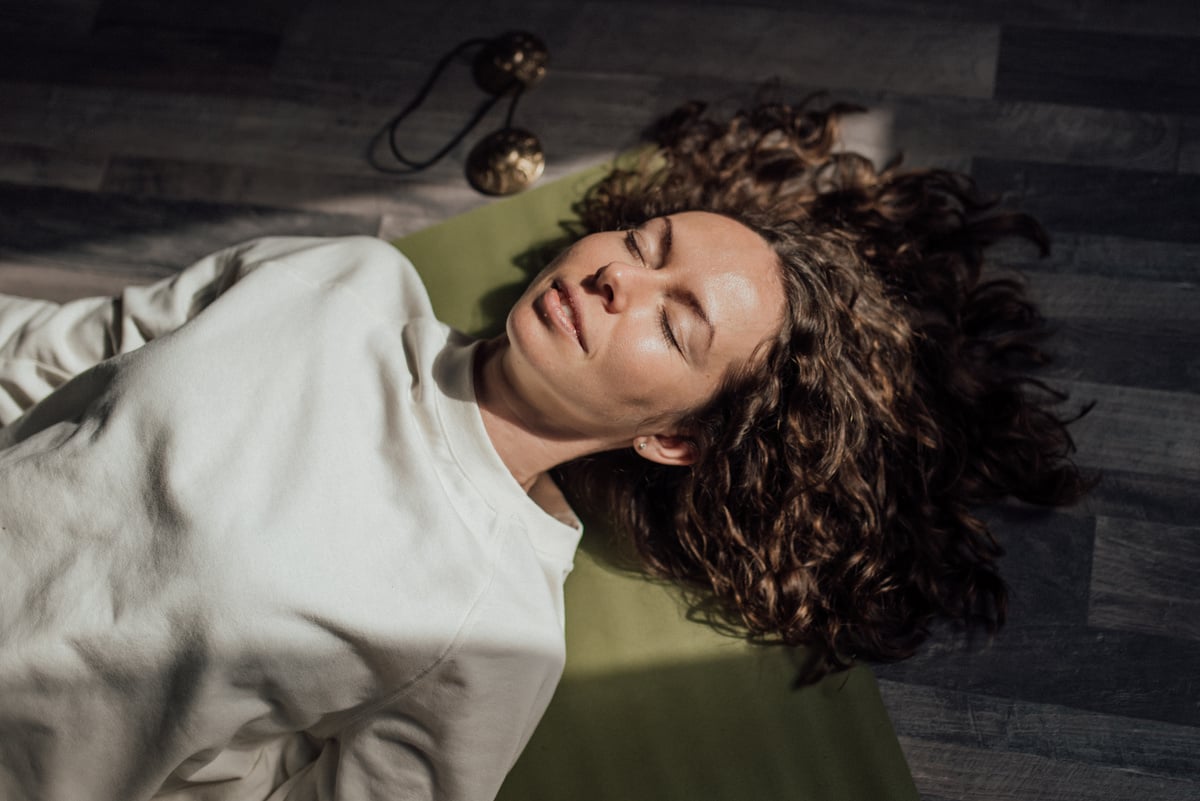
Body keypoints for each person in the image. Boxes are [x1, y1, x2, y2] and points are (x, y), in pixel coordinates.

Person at [0, 97, 1089, 801]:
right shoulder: (339, 281)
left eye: (673, 321)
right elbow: (53, 353)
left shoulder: (492, 625)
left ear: (671, 436)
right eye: (644, 245)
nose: (619, 277)